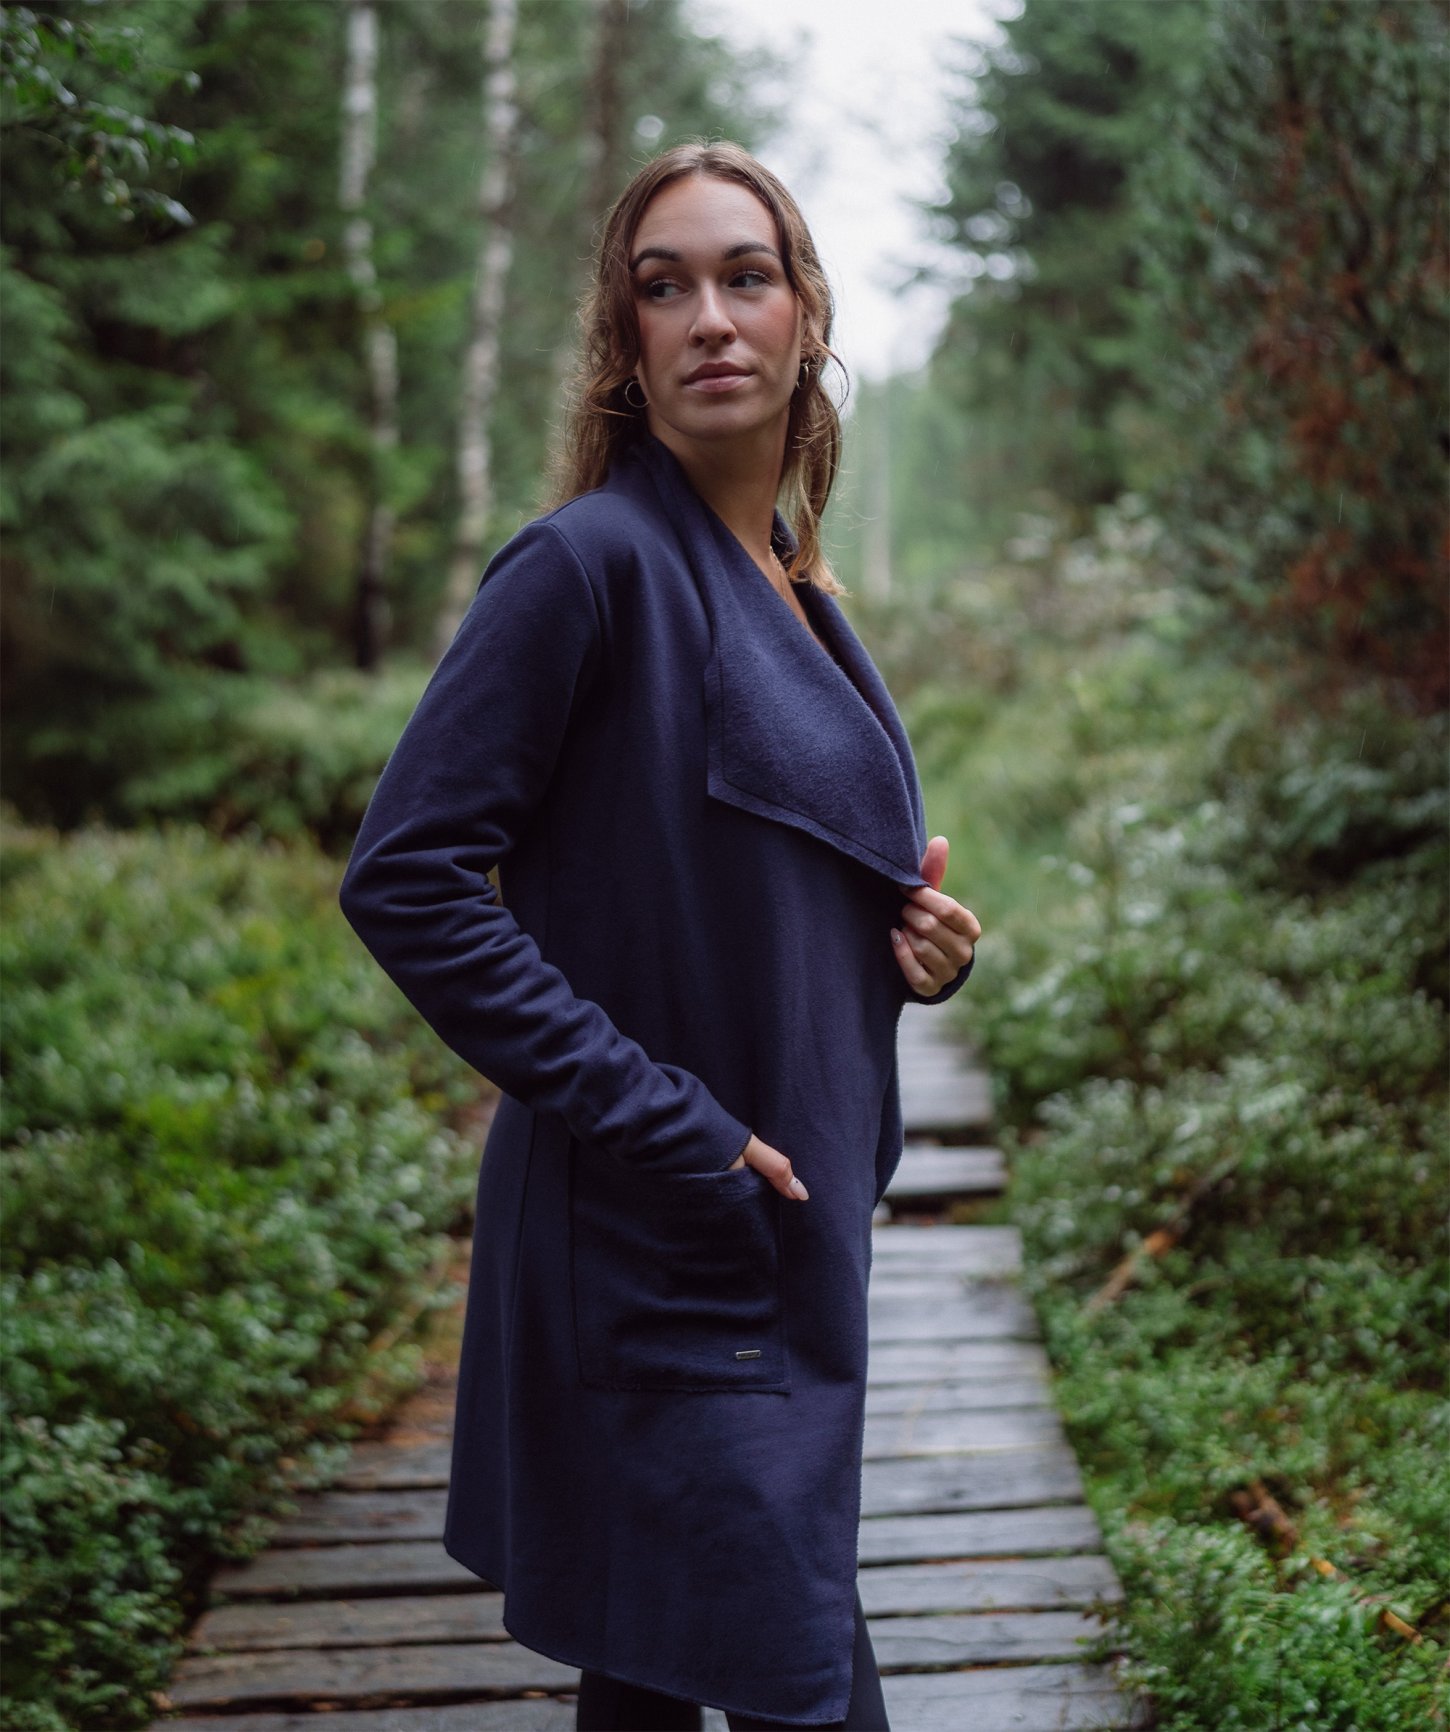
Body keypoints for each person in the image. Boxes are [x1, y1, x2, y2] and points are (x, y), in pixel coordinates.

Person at [338, 140, 981, 1732]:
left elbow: (740, 869)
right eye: (662, 286)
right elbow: (407, 878)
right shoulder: (585, 567)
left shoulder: (794, 588)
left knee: (649, 1678)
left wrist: (908, 948)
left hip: (774, 1239)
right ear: (623, 345)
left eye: (744, 277)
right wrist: (667, 1124)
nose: (709, 317)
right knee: (793, 1678)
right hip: (657, 1235)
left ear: (803, 315)